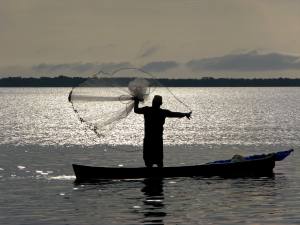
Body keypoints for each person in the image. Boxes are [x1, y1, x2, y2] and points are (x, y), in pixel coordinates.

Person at [134, 95, 191, 168]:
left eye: (154, 102)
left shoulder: (147, 110)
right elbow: (175, 114)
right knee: (158, 162)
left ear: (153, 102)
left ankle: (149, 176)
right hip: (157, 140)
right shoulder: (163, 112)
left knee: (150, 162)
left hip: (149, 140)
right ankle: (159, 176)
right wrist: (185, 114)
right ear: (161, 103)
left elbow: (136, 110)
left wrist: (136, 101)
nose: (154, 103)